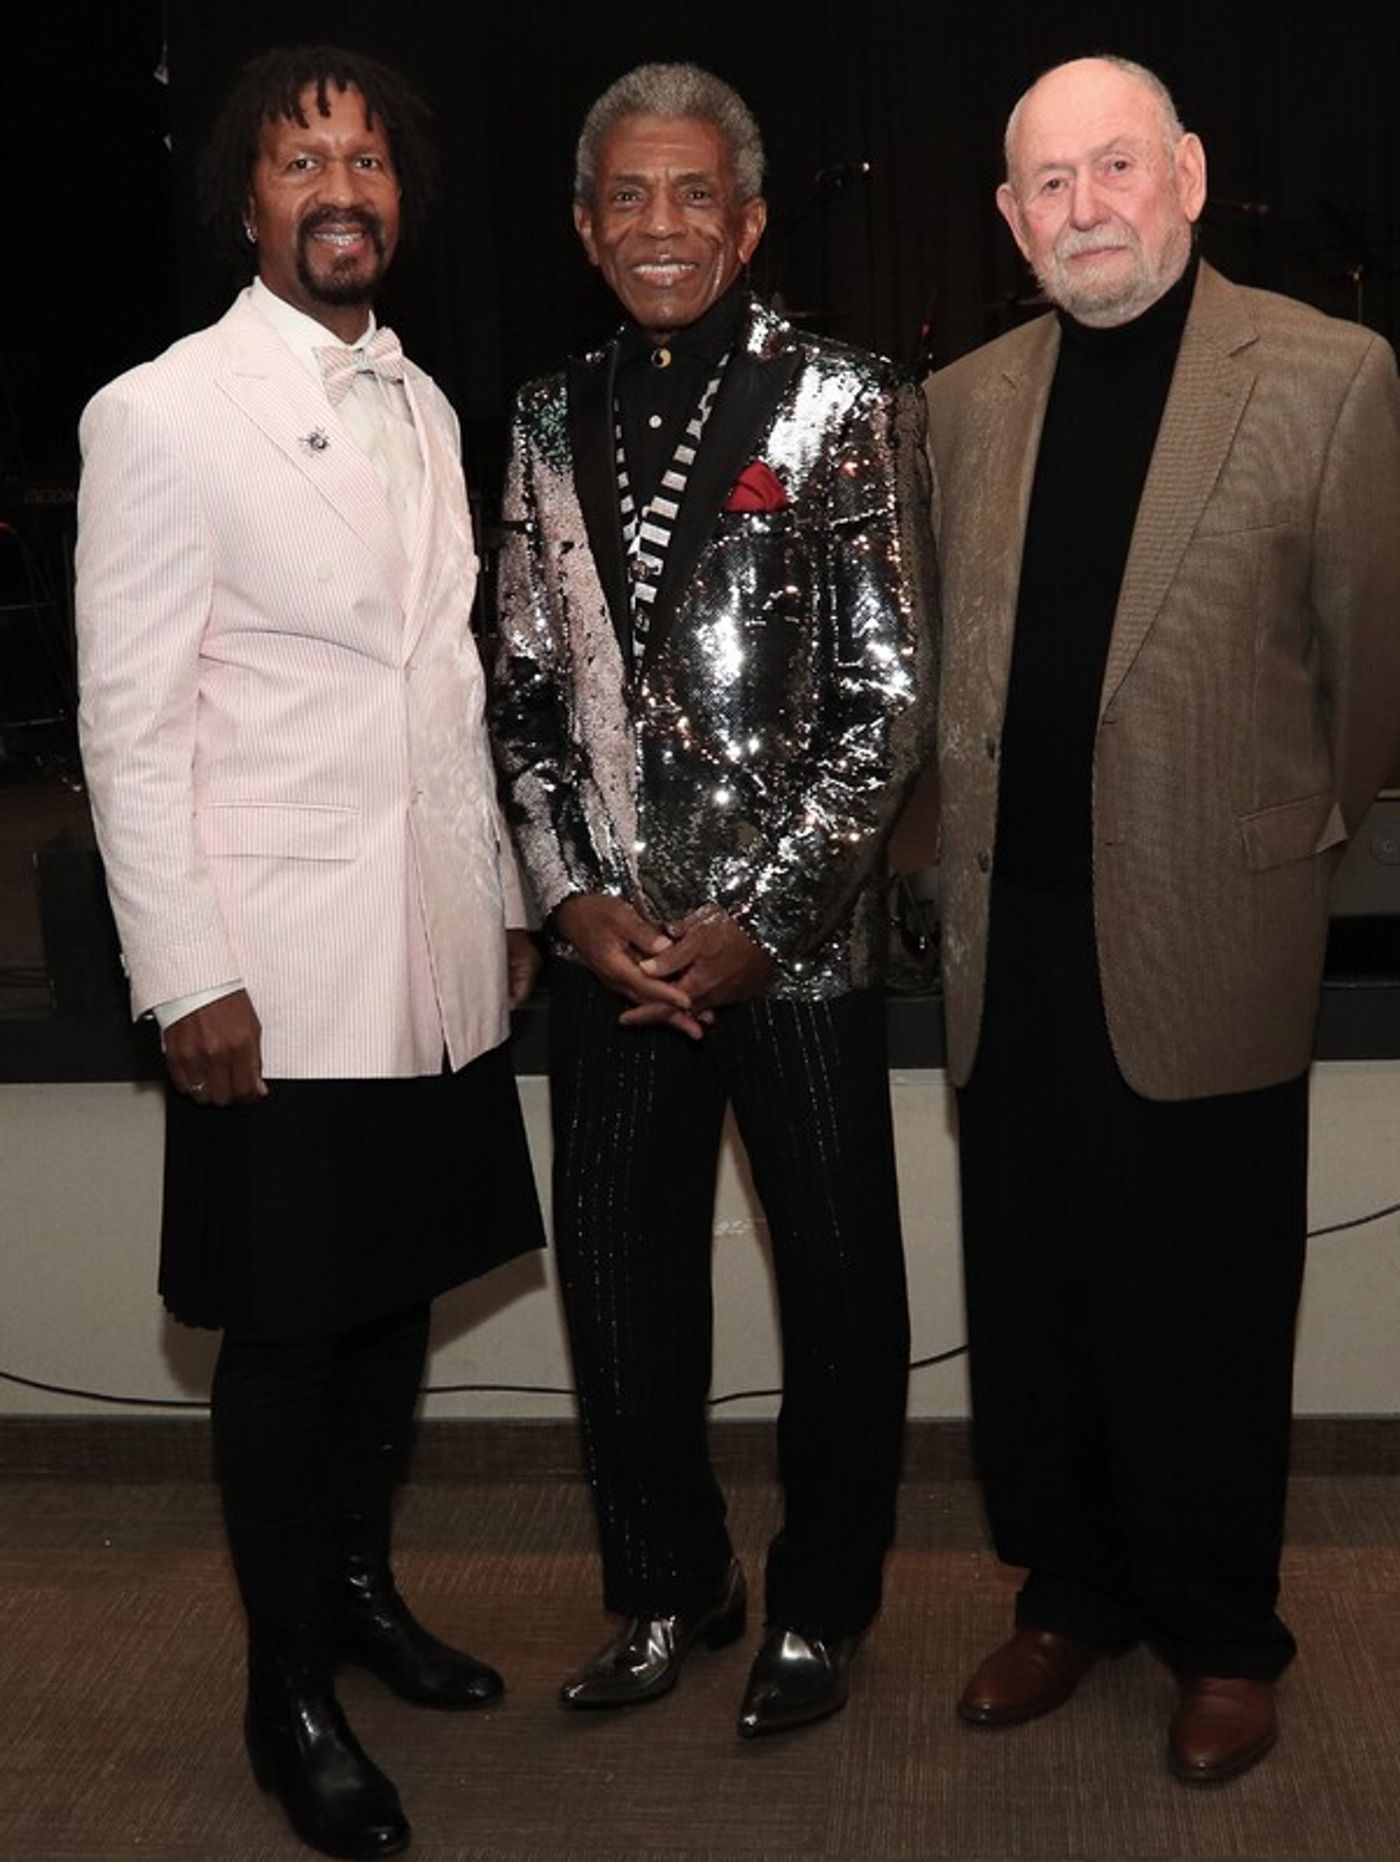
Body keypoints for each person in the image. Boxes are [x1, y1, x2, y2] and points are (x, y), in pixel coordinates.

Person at [76, 45, 544, 1859]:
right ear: (247, 200)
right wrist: (183, 969)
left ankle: (357, 1594)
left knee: (391, 1302)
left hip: (424, 949)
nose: (339, 186)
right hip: (268, 971)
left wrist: (502, 900)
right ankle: (284, 1689)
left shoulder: (426, 406)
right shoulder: (167, 412)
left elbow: (448, 692)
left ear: (398, 197)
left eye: (366, 158)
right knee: (285, 1335)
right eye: (300, 160)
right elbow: (128, 724)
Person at [925, 54, 1400, 1783]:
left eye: (1114, 166)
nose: (1085, 208)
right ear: (1009, 217)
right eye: (1047, 184)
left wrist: (1281, 842)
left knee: (1199, 1300)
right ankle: (1071, 1593)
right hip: (1014, 939)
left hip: (1214, 930)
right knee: (1038, 1290)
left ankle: (1223, 1631)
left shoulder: (1329, 377)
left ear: (1188, 174)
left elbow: (1366, 688)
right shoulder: (963, 403)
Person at [490, 62, 935, 1738]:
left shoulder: (844, 398)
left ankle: (822, 1599)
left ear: (747, 222)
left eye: (695, 198)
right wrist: (572, 896)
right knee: (619, 1282)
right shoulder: (540, 416)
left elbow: (883, 703)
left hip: (792, 952)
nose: (661, 226)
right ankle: (671, 1583)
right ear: (587, 226)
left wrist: (761, 914)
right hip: (612, 952)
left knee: (837, 1281)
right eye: (628, 197)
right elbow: (523, 689)